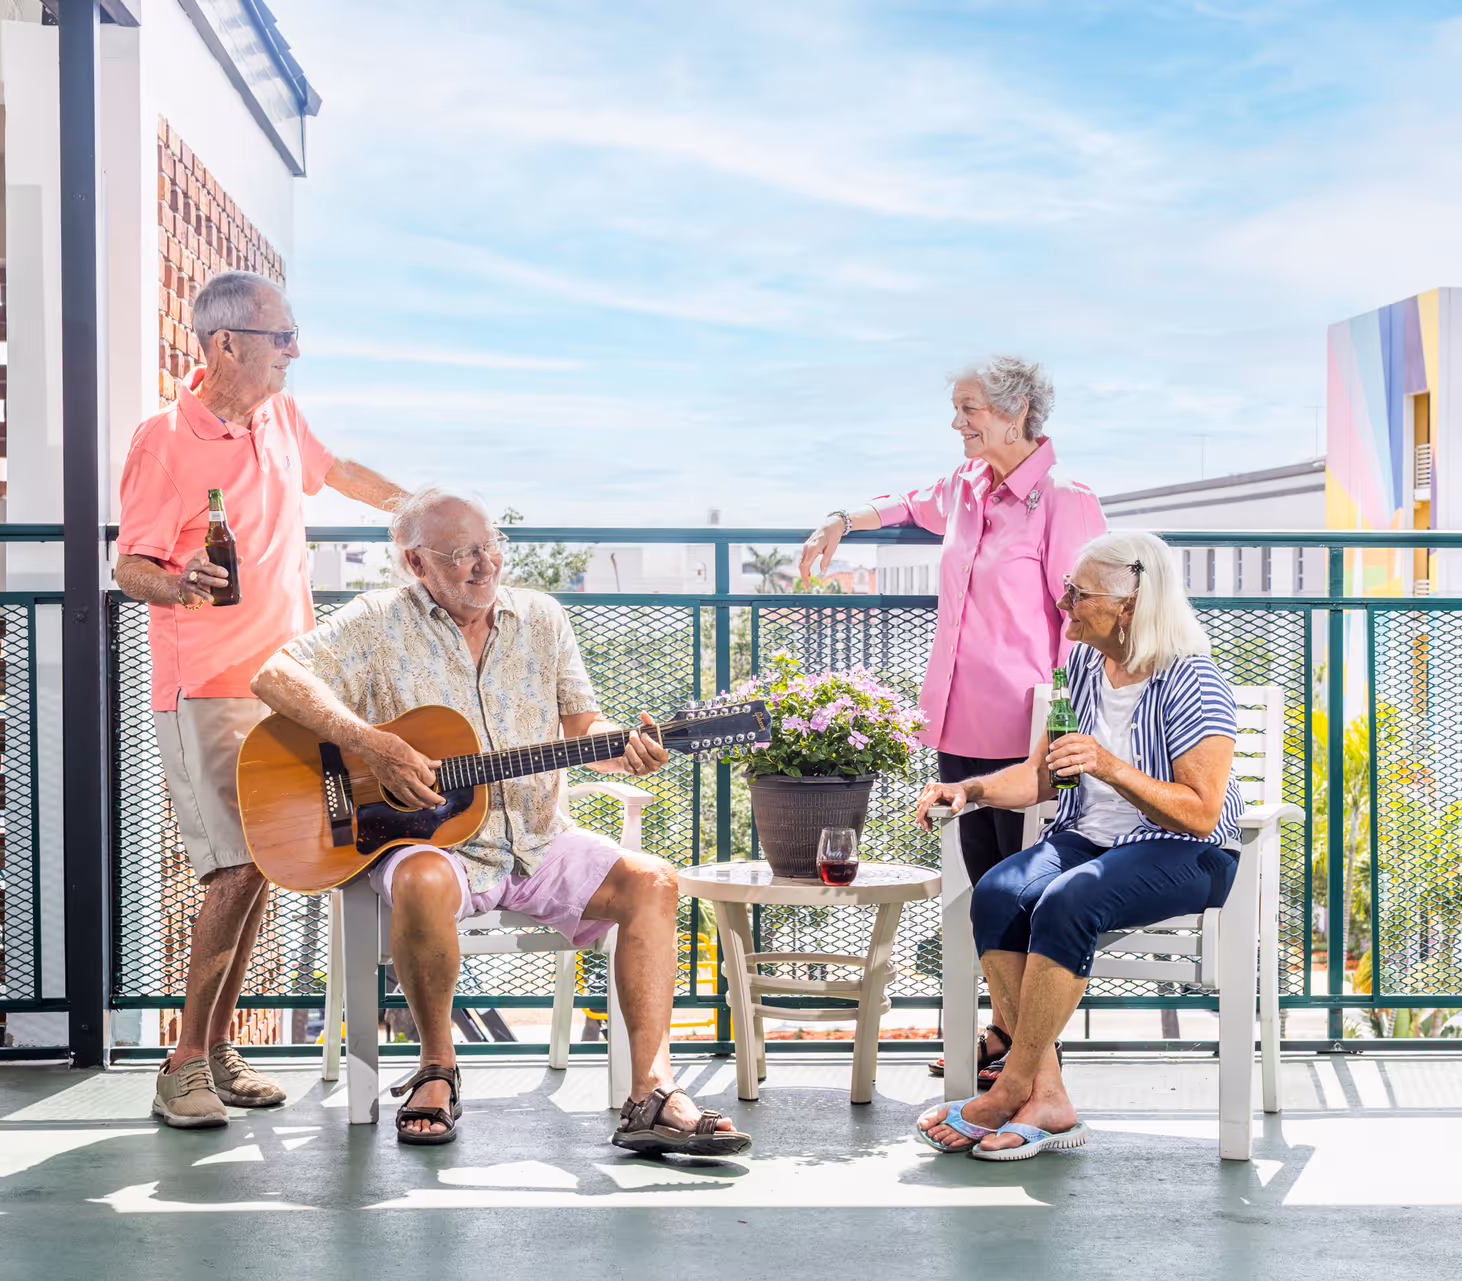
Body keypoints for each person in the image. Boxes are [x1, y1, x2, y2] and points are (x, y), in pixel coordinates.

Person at [248, 486, 753, 1156]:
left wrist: (624, 751)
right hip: (437, 845)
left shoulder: (541, 617)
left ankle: (650, 1094)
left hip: (541, 839)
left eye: (491, 547)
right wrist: (374, 745)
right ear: (416, 562)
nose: (485, 565)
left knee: (654, 879)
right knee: (424, 879)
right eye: (462, 554)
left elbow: (581, 726)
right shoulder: (377, 619)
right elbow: (274, 674)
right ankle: (437, 1067)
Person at [116, 270, 407, 1129]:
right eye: (282, 337)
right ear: (226, 344)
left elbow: (339, 471)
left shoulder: (279, 416)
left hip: (287, 684)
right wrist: (181, 584)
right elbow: (128, 565)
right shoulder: (162, 441)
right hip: (205, 687)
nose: (295, 351)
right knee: (235, 866)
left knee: (265, 868)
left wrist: (419, 508)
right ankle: (181, 1066)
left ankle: (216, 1048)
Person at [798, 356, 1106, 1084]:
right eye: (959, 409)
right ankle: (1004, 1037)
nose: (958, 422)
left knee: (1029, 890)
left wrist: (1060, 727)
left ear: (1017, 409)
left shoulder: (1065, 499)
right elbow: (908, 503)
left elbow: (1081, 622)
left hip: (1028, 736)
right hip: (959, 726)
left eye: (970, 409)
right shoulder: (966, 489)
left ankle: (1034, 1055)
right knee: (983, 884)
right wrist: (843, 520)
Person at [911, 530, 1242, 1160]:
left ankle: (1011, 1088)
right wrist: (970, 788)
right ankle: (1050, 1096)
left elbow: (1201, 814)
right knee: (998, 893)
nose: (1062, 602)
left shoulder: (1191, 680)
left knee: (1067, 902)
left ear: (1129, 604)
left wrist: (1111, 766)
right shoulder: (1084, 666)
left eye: (1077, 592)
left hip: (1183, 853)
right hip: (1087, 838)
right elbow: (1043, 775)